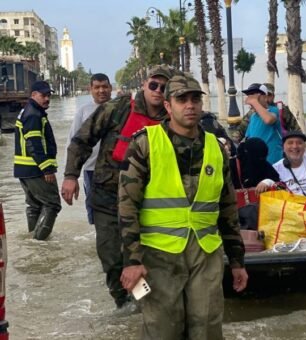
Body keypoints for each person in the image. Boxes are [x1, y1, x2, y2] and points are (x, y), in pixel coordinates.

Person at [118, 74, 247, 339]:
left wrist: (237, 260)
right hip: (159, 255)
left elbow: (228, 208)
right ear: (168, 106)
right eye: (181, 99)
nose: (190, 105)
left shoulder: (216, 148)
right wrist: (132, 260)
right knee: (162, 328)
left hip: (206, 253)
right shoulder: (145, 143)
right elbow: (126, 205)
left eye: (195, 99)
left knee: (207, 325)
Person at [61, 65, 174, 308]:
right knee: (112, 258)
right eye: (153, 85)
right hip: (107, 197)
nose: (158, 91)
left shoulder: (172, 117)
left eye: (164, 88)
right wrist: (71, 175)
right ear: (144, 84)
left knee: (144, 258)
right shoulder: (117, 108)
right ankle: (123, 304)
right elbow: (82, 140)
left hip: (149, 202)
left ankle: (142, 304)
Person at [13, 81, 60, 240]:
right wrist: (46, 168)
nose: (47, 98)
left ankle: (33, 240)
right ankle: (40, 241)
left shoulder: (28, 111)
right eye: (43, 95)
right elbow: (34, 144)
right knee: (52, 204)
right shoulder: (33, 114)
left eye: (49, 95)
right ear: (33, 95)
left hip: (24, 169)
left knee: (34, 206)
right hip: (35, 169)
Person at [64, 73, 113, 225]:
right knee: (94, 209)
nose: (101, 90)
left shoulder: (121, 109)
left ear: (110, 88)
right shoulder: (84, 111)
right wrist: (71, 176)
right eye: (97, 87)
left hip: (117, 170)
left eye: (104, 86)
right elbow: (73, 143)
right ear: (90, 89)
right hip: (91, 170)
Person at [234, 82, 300, 141]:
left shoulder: (279, 110)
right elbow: (241, 131)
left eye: (269, 95)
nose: (267, 98)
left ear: (273, 96)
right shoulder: (252, 114)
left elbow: (296, 129)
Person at [242, 83, 283, 164]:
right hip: (257, 163)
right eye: (249, 95)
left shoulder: (273, 110)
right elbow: (248, 138)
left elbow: (268, 119)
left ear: (265, 97)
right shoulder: (253, 116)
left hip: (273, 161)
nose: (250, 98)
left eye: (254, 95)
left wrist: (254, 102)